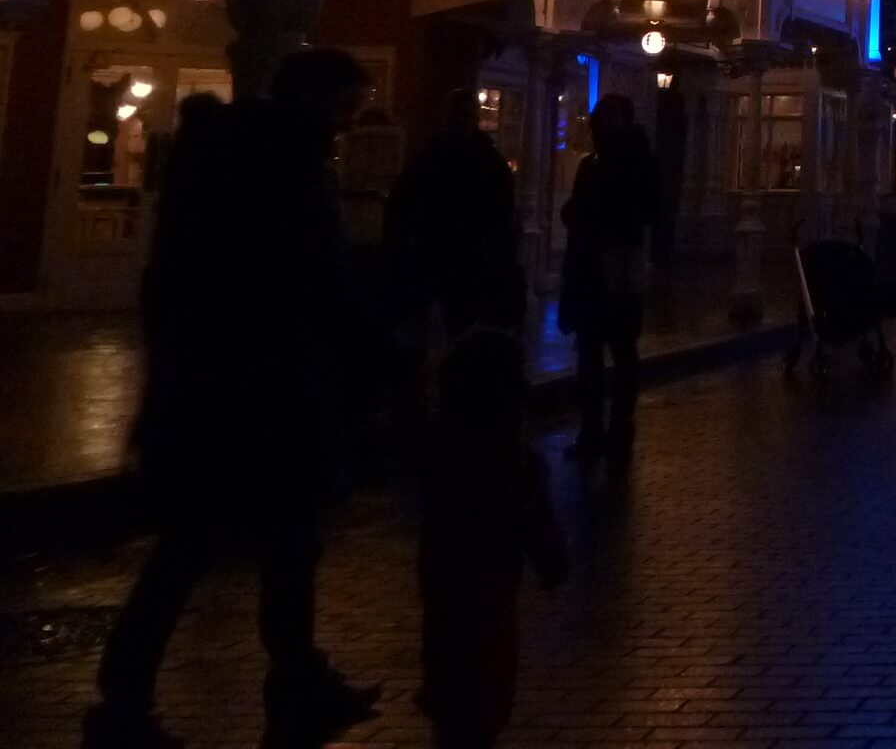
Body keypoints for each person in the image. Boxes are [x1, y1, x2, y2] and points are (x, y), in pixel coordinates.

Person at [89, 51, 382, 749]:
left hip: (205, 384)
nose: (346, 126)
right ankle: (282, 683)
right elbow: (314, 279)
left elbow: (169, 284)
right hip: (269, 387)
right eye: (344, 109)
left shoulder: (217, 164)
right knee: (274, 543)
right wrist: (364, 349)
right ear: (314, 100)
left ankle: (131, 698)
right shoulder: (290, 171)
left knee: (201, 545)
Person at [416, 328, 567, 748]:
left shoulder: (441, 449)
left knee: (454, 690)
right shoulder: (513, 461)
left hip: (446, 588)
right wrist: (550, 557)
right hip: (489, 588)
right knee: (484, 687)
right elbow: (538, 531)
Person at [558, 95, 660, 463]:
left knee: (618, 350)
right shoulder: (592, 164)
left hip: (618, 269)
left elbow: (646, 208)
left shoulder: (632, 163)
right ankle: (593, 430)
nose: (600, 126)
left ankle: (617, 428)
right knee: (592, 353)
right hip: (591, 268)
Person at [386, 89, 522, 342]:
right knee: (457, 322)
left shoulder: (431, 155)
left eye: (465, 114)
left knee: (444, 321)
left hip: (446, 250)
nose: (461, 119)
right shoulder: (485, 159)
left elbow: (404, 200)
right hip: (459, 252)